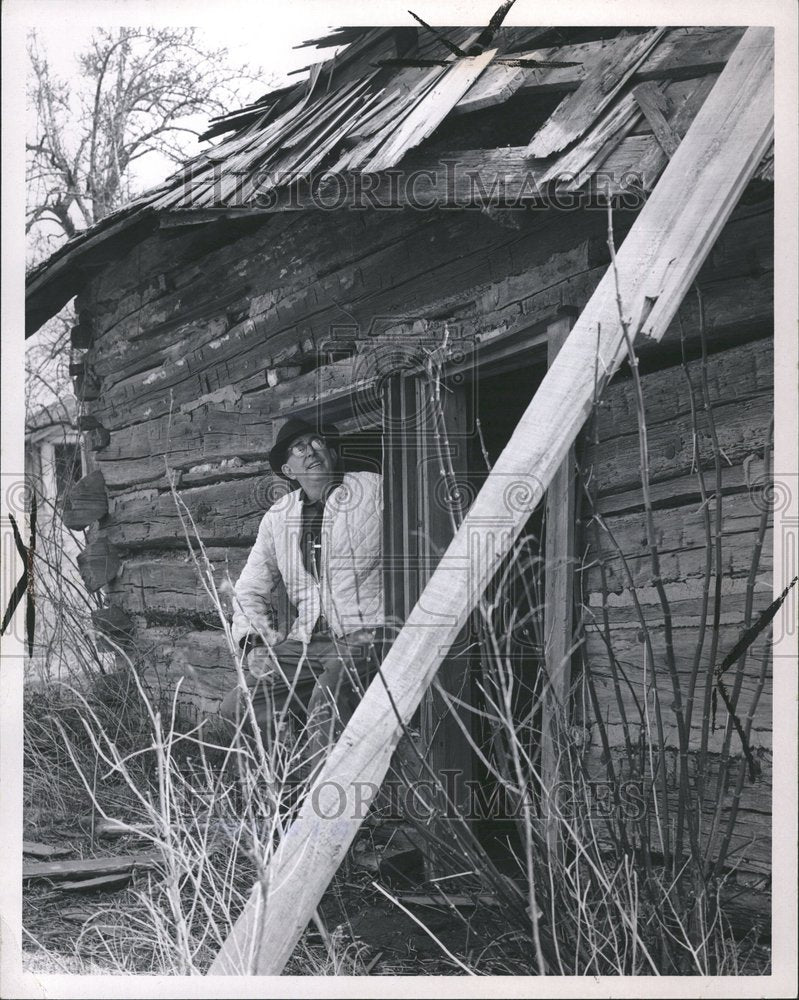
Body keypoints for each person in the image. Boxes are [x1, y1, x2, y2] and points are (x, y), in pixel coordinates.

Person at [219, 417, 385, 778]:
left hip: (367, 634)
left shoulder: (375, 490)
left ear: (332, 452)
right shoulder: (278, 517)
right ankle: (280, 801)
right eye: (299, 448)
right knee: (239, 704)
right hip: (308, 641)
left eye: (317, 442)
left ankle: (325, 819)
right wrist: (253, 642)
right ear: (287, 469)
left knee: (326, 700)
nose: (311, 451)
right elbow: (249, 589)